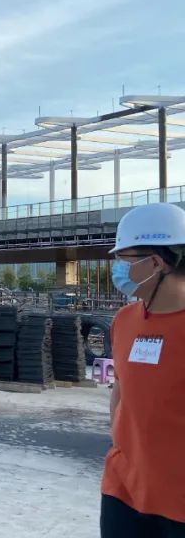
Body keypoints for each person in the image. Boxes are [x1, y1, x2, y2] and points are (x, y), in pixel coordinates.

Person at [101, 202, 185, 537]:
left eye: (124, 259)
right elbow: (121, 392)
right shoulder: (124, 321)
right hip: (123, 493)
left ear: (156, 263)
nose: (118, 269)